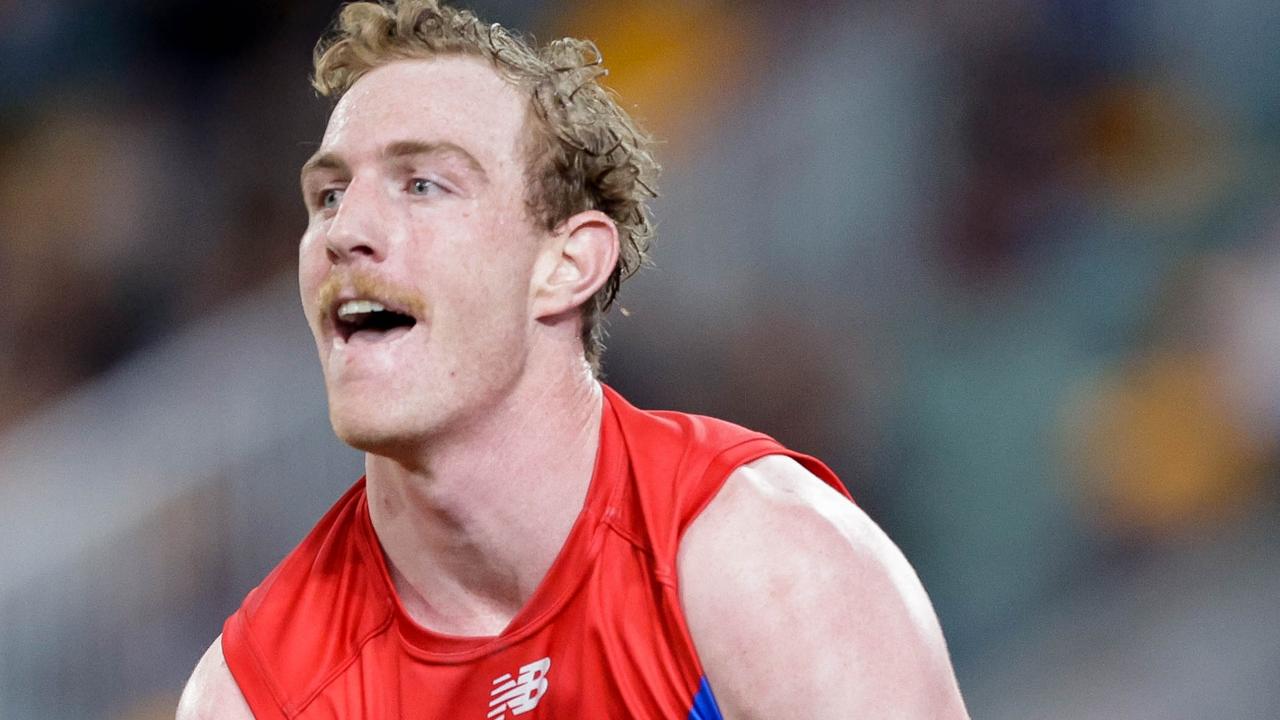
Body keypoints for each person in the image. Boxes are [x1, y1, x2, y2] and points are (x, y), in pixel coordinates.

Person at [177, 1, 969, 717]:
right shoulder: (258, 696)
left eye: (422, 184)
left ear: (565, 265)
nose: (346, 229)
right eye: (329, 195)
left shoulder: (766, 562)